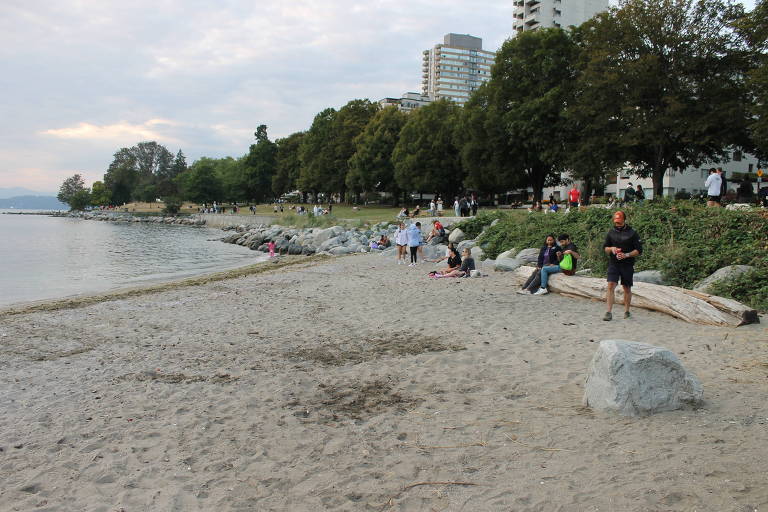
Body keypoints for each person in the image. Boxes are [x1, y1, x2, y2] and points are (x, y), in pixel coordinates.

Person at [602, 210, 643, 321]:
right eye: (616, 222)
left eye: (619, 222)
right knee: (610, 285)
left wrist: (627, 255)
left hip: (627, 264)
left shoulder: (632, 233)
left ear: (624, 220)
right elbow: (605, 248)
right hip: (614, 263)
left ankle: (627, 311)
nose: (617, 224)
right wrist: (611, 249)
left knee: (626, 288)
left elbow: (639, 250)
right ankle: (609, 312)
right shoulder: (611, 232)